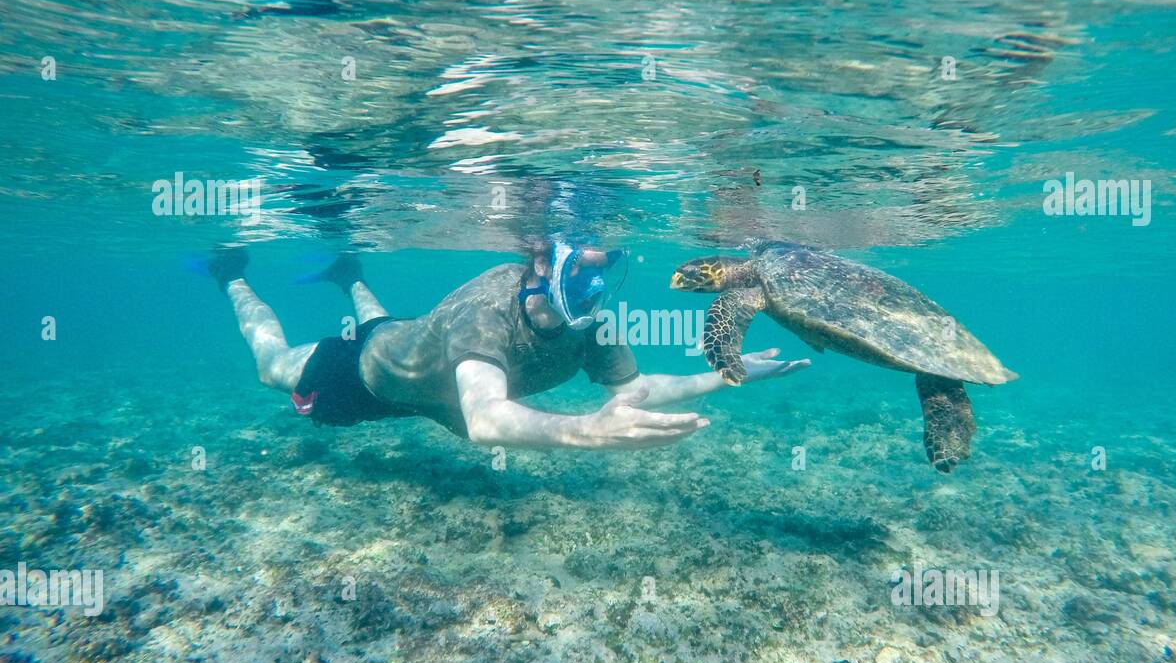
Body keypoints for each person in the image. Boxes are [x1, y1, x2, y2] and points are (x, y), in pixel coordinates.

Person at [207, 240, 807, 451]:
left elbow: (638, 389)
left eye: (604, 273)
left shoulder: (588, 323)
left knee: (386, 322)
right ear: (541, 265)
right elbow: (488, 420)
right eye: (580, 275)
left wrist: (725, 371)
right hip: (365, 375)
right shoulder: (485, 311)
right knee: (271, 367)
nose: (593, 290)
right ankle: (231, 274)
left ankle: (349, 275)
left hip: (419, 351)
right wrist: (585, 432)